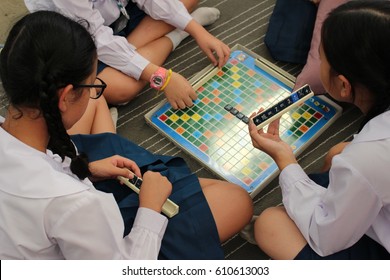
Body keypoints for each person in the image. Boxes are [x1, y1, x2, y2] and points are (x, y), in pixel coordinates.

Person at [0, 10, 253, 260]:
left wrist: (87, 170)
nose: (93, 91)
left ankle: (107, 138)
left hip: (65, 197)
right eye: (91, 86)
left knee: (102, 115)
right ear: (65, 97)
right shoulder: (74, 203)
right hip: (112, 243)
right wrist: (150, 209)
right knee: (236, 200)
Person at [249, 0, 390, 260]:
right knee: (338, 153)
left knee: (269, 224)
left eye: (321, 59)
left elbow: (325, 238)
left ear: (344, 85)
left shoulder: (365, 161)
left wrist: (285, 160)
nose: (318, 62)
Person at [24, 0, 230, 110]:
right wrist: (162, 78)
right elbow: (96, 38)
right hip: (81, 38)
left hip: (121, 16)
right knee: (121, 89)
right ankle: (177, 35)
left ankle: (129, 56)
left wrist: (197, 31)